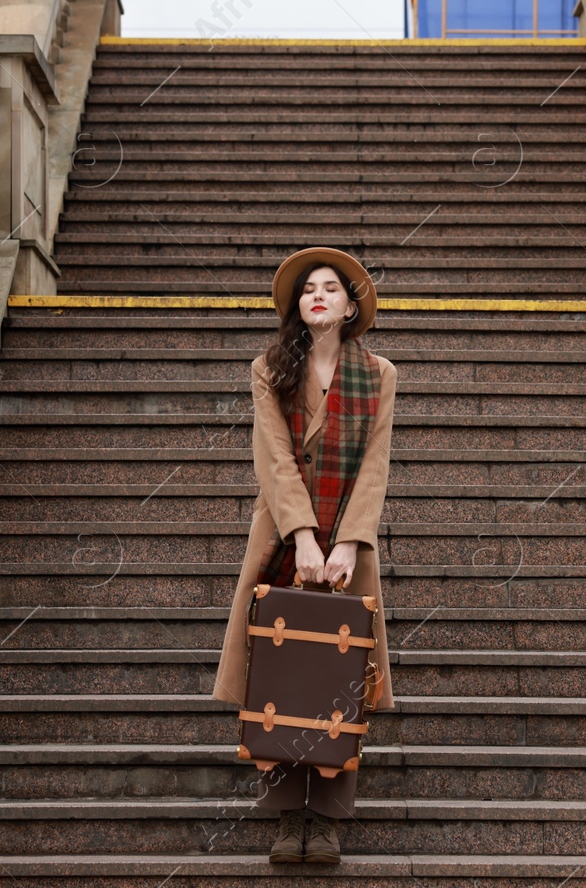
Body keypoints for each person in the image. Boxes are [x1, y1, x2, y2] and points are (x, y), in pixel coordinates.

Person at [210, 246, 398, 865]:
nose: (317, 294)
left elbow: (375, 466)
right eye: (308, 288)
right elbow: (273, 458)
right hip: (284, 539)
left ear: (350, 307)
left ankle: (330, 821)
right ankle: (289, 818)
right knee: (281, 671)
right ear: (298, 306)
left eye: (331, 288)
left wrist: (346, 539)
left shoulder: (380, 375)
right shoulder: (269, 368)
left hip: (349, 544)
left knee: (339, 678)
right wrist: (304, 537)